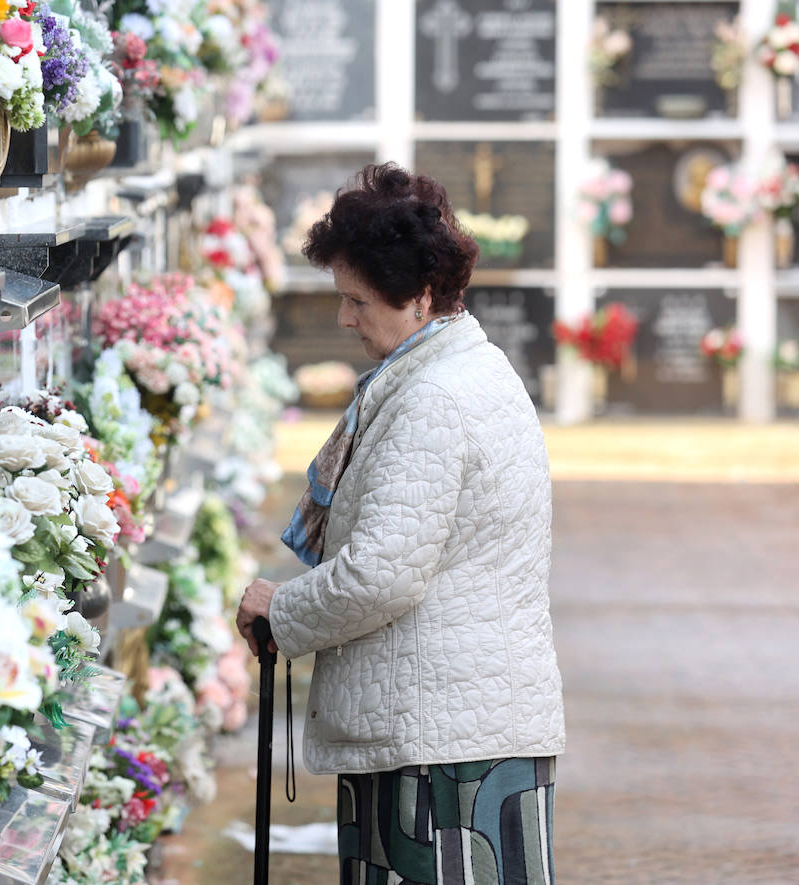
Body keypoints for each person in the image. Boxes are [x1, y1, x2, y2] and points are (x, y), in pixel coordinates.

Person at [236, 163, 565, 885]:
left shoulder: (433, 400)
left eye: (356, 300)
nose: (345, 317)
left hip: (439, 749)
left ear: (418, 296)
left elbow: (381, 574)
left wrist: (281, 611)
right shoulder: (464, 368)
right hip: (462, 722)